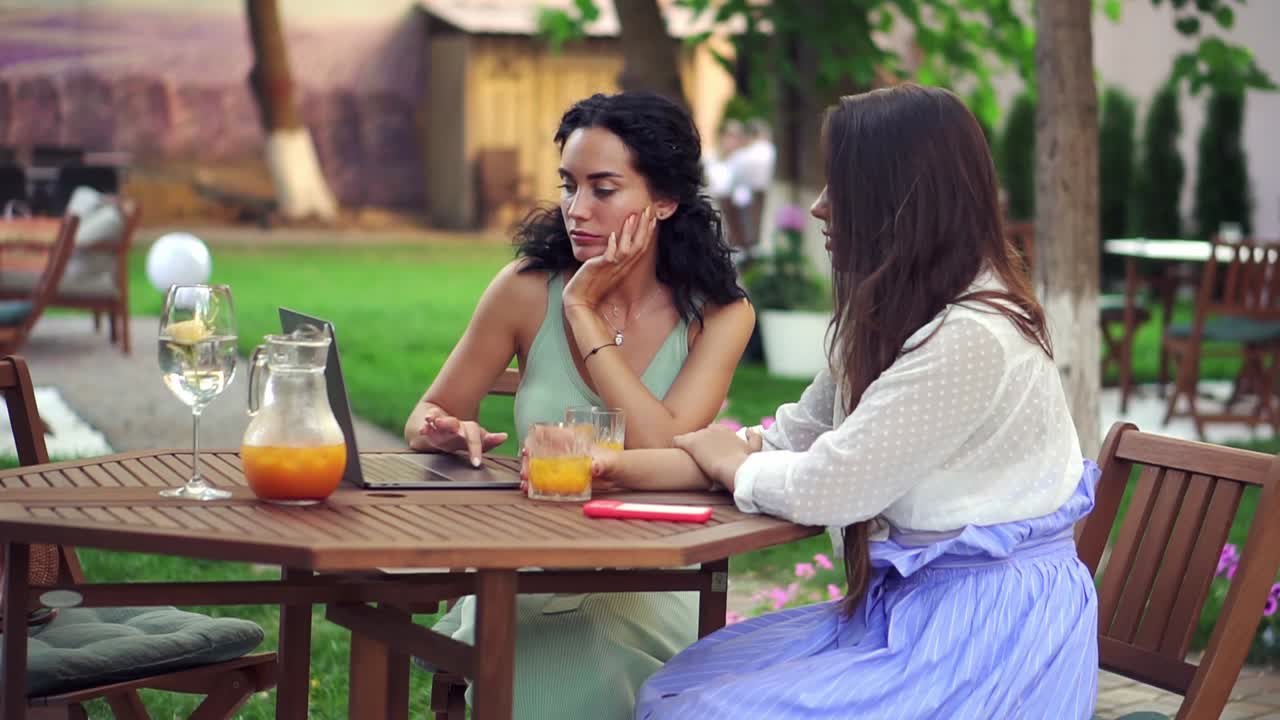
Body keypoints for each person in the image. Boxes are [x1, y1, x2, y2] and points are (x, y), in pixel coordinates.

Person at [599, 84, 1099, 718]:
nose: (817, 208)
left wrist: (731, 460)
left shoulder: (975, 335)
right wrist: (610, 468)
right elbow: (793, 439)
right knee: (679, 683)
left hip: (985, 635)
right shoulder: (893, 317)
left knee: (698, 711)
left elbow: (830, 486)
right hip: (906, 614)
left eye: (838, 187)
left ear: (899, 199)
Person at [403, 91, 755, 719]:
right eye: (569, 186)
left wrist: (583, 313)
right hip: (524, 567)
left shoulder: (721, 315)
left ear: (665, 201)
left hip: (652, 578)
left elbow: (657, 445)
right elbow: (428, 412)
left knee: (606, 654)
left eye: (603, 189)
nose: (576, 210)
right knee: (558, 656)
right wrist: (446, 430)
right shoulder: (523, 289)